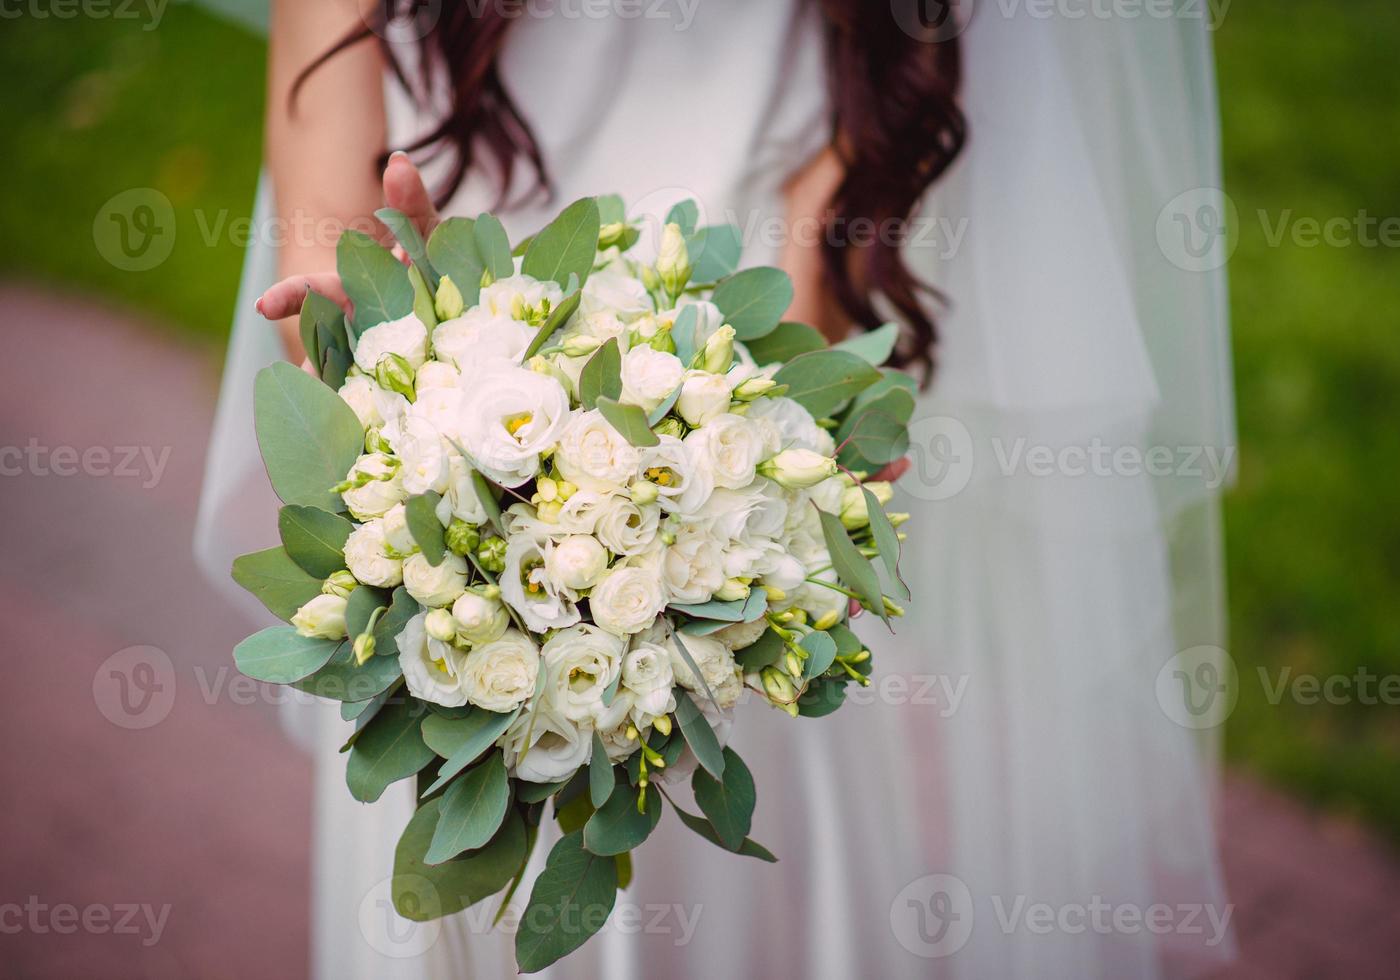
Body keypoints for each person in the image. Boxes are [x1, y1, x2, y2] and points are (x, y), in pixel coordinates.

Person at [197, 1, 1237, 976]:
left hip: (711, 571)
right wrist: (386, 338)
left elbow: (811, 261)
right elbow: (327, 243)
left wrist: (787, 412)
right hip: (449, 568)